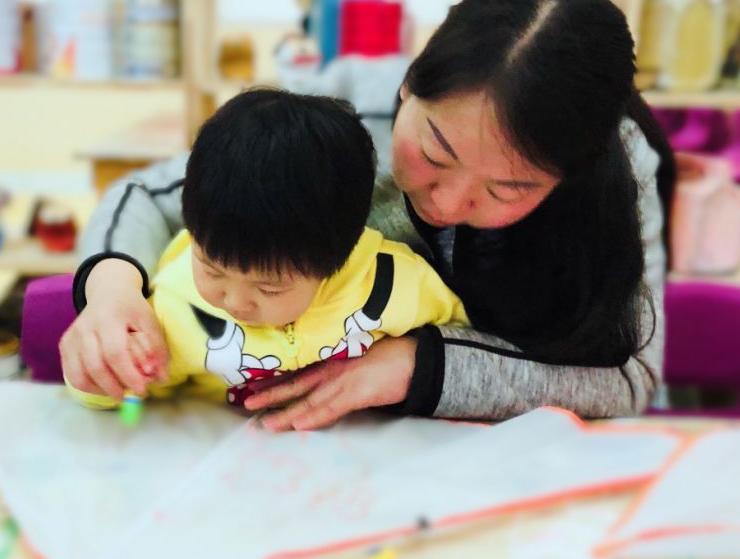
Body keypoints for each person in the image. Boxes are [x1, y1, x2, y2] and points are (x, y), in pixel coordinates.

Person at [60, 0, 675, 431]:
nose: (447, 204)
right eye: (435, 154)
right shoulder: (346, 107)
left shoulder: (620, 170)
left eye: (506, 189)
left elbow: (630, 378)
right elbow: (151, 195)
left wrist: (420, 367)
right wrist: (110, 292)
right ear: (409, 87)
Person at [63, 88, 467, 411]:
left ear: (339, 256)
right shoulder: (176, 309)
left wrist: (417, 359)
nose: (235, 302)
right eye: (212, 269)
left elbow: (463, 333)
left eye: (270, 288)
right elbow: (111, 391)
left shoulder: (395, 284)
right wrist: (105, 369)